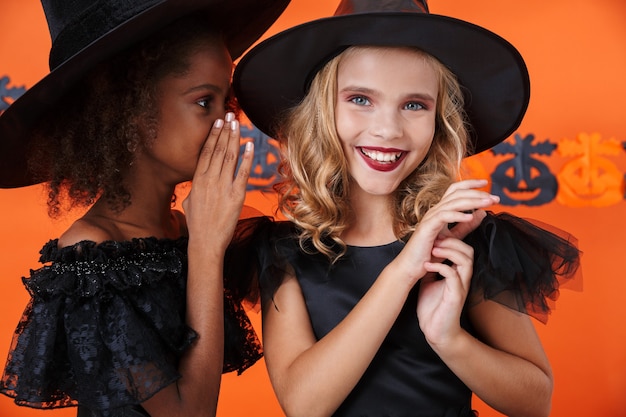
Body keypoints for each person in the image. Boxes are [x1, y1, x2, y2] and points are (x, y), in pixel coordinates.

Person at [232, 1, 581, 416]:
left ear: (440, 120)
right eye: (361, 99)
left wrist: (449, 338)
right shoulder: (283, 252)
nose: (387, 129)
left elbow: (535, 401)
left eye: (415, 105)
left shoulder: (466, 237)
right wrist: (402, 271)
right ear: (323, 112)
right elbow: (304, 406)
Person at [0, 1, 290, 416]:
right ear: (130, 109)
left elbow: (314, 279)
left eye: (227, 103)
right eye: (205, 102)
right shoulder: (92, 256)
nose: (229, 124)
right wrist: (206, 248)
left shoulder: (189, 228)